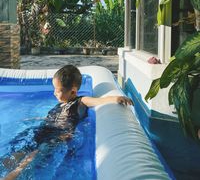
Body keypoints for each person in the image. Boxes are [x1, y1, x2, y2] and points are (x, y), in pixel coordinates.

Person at [1, 65, 133, 180]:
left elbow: (97, 101)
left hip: (58, 134)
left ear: (73, 91)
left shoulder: (80, 101)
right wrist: (35, 120)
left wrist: (115, 98)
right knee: (21, 149)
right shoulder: (59, 105)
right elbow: (50, 119)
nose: (54, 93)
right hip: (43, 129)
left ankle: (11, 176)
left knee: (33, 154)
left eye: (58, 90)